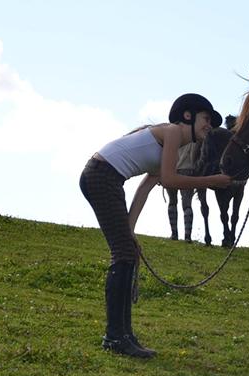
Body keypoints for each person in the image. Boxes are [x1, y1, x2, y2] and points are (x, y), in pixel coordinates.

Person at [80, 93, 233, 358]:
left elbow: (145, 188)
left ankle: (123, 335)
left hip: (105, 177)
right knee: (124, 253)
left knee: (127, 250)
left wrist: (130, 230)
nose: (209, 125)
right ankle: (115, 337)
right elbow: (170, 180)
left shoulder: (173, 145)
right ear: (188, 115)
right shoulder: (173, 132)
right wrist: (211, 180)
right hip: (101, 175)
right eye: (207, 119)